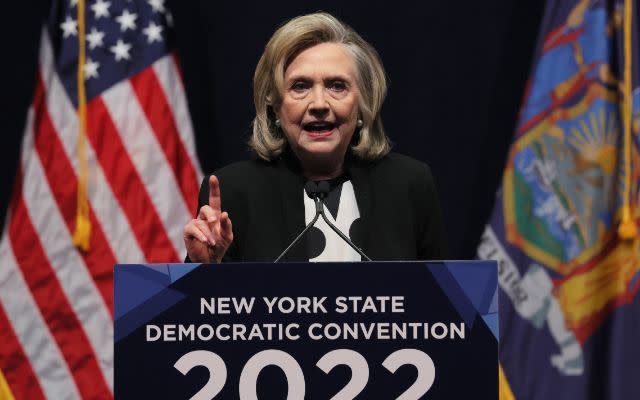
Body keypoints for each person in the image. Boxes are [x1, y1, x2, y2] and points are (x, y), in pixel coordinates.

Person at [183, 12, 445, 263]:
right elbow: (201, 306)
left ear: (363, 103)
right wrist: (206, 270)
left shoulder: (409, 184)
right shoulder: (234, 192)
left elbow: (443, 300)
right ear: (274, 105)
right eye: (300, 86)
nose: (319, 103)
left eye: (337, 86)